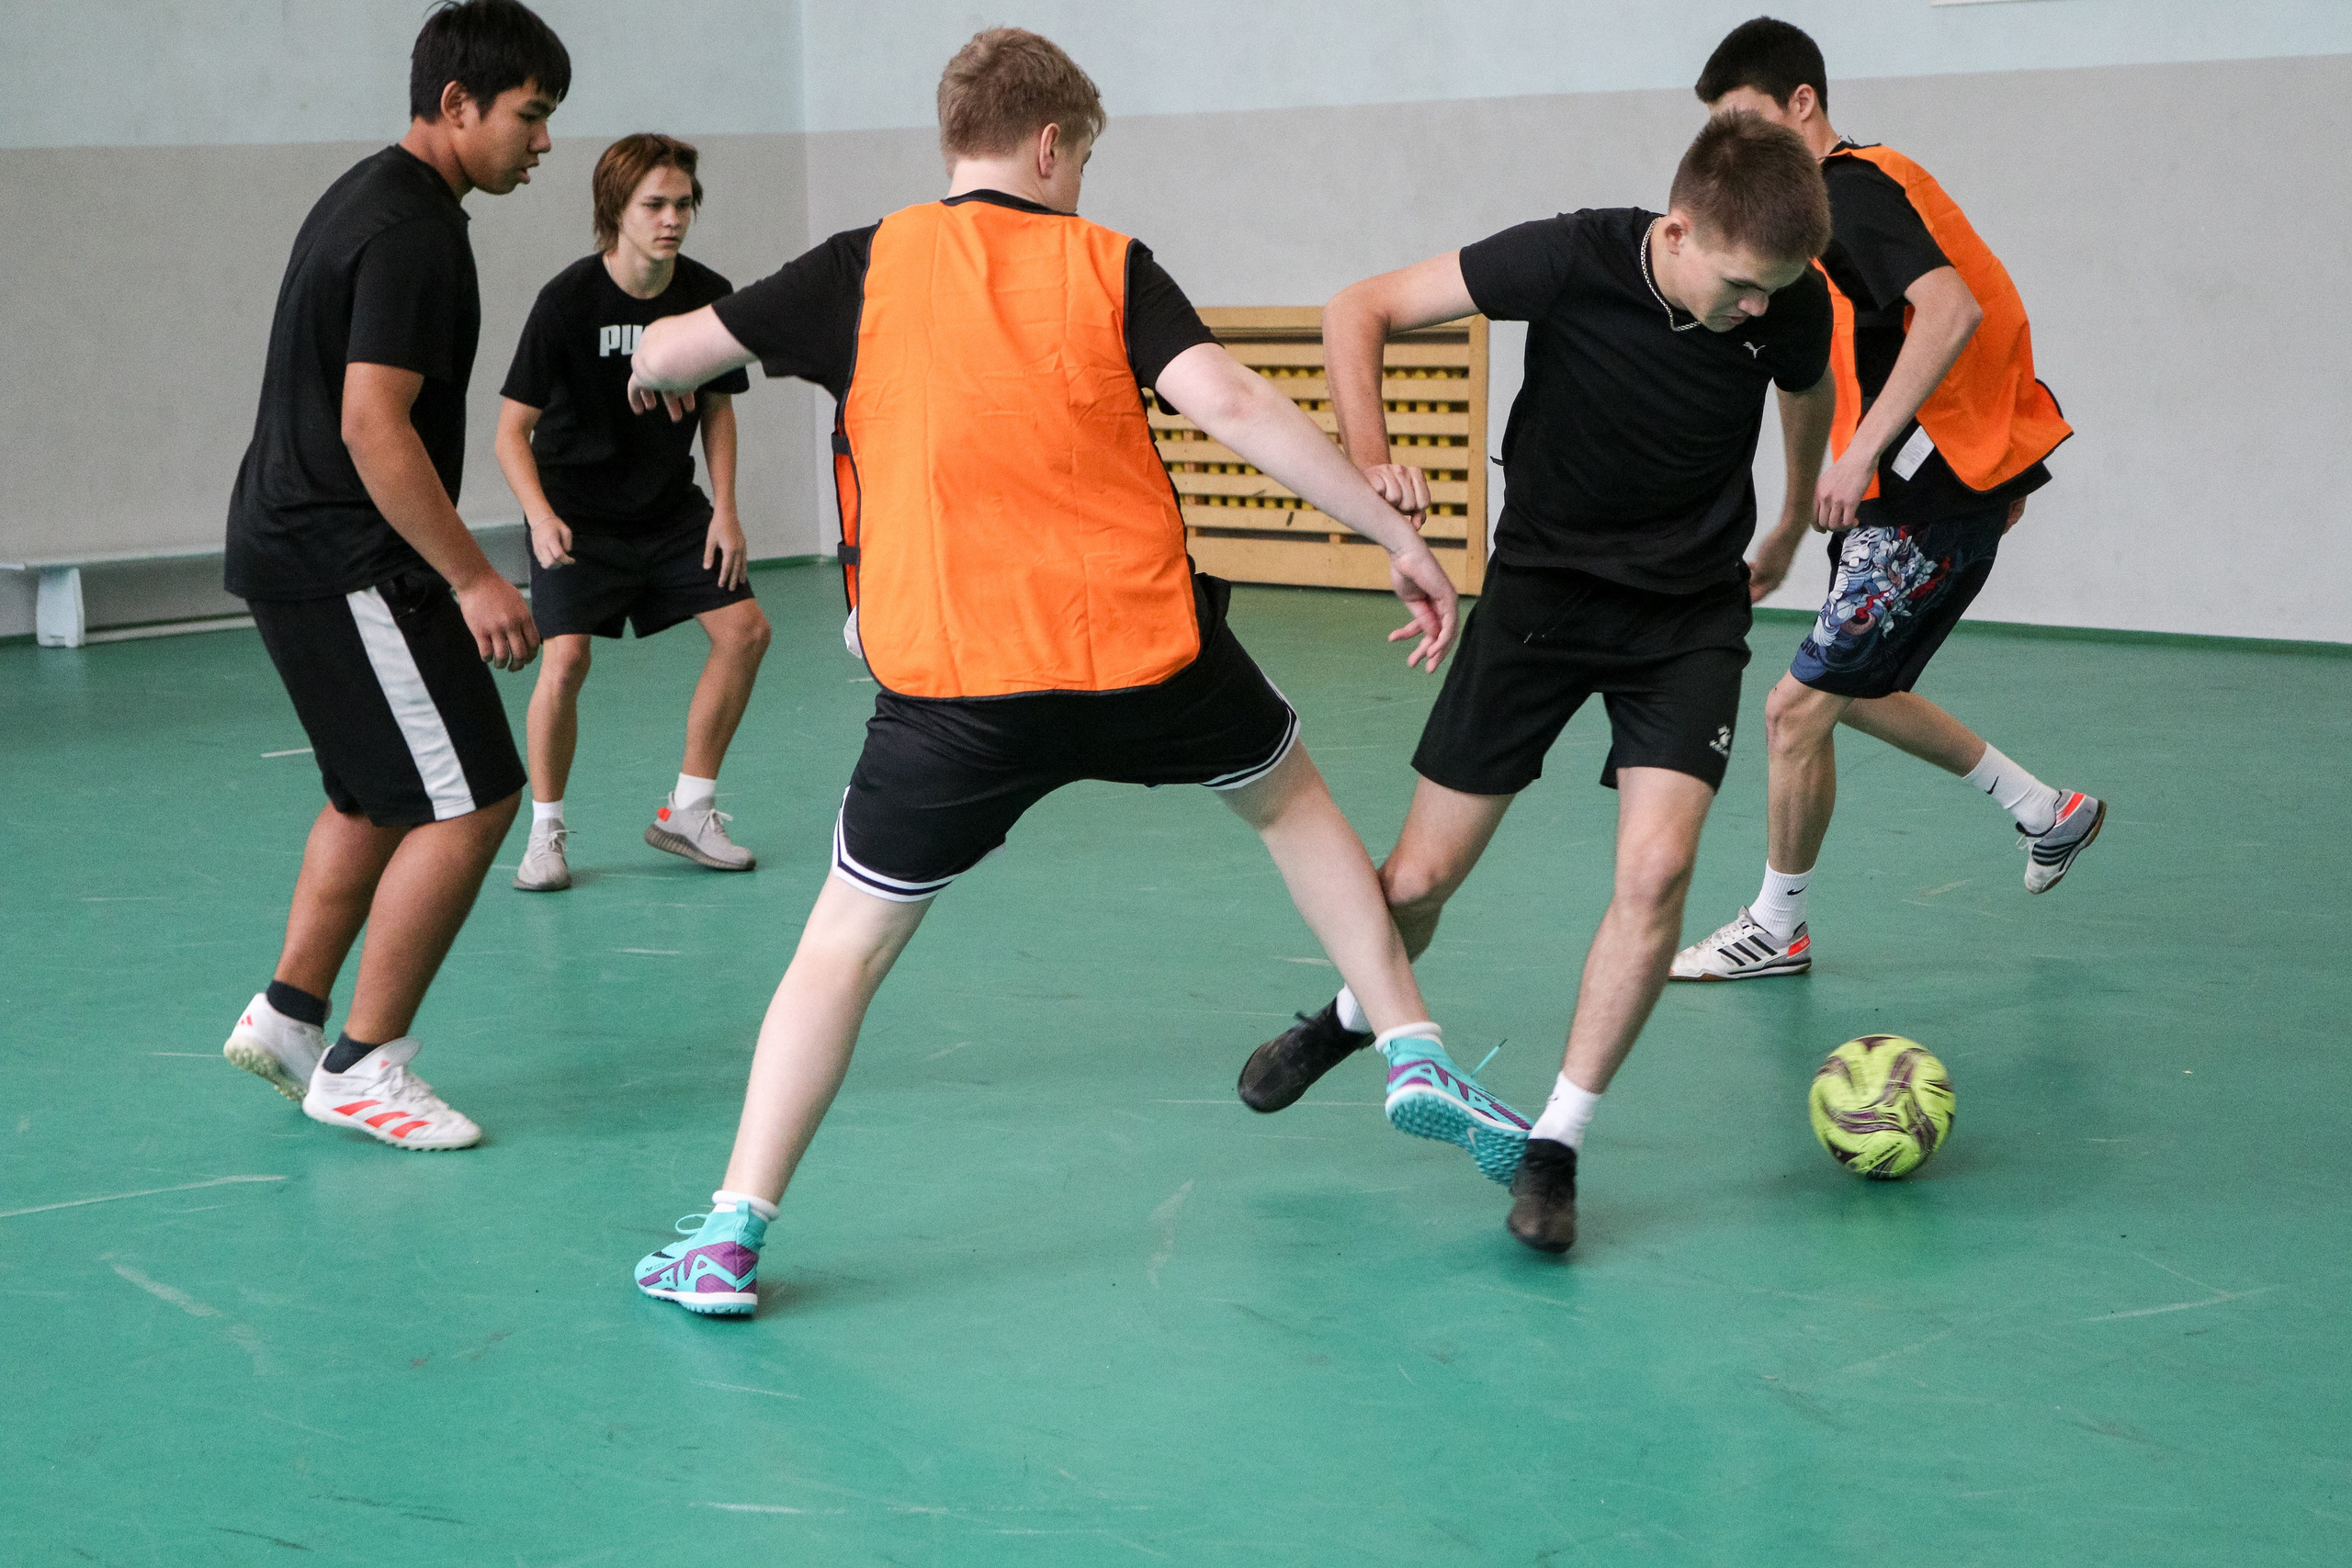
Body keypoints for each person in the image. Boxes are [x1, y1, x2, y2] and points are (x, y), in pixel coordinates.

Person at [625, 28, 1531, 1317]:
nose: (1082, 186)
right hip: (1145, 651)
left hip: (954, 689)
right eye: (1083, 161)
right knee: (1288, 801)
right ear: (1050, 145)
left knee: (839, 951)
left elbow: (668, 355)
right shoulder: (1109, 263)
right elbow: (1233, 404)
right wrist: (1396, 534)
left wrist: (663, 365)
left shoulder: (858, 267)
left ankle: (730, 1231)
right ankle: (1411, 1040)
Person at [1236, 114, 1838, 1255]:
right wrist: (1370, 460)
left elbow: (1804, 390)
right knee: (1415, 880)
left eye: (1776, 290)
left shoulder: (1786, 303)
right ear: (1678, 229)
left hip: (1686, 617)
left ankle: (1555, 1141)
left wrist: (1793, 516)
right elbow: (1355, 308)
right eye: (1743, 285)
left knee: (1658, 870)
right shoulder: (1566, 257)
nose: (1760, 309)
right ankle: (1352, 1015)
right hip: (1544, 597)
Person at [1674, 17, 2099, 985]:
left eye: (1746, 122)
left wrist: (1881, 454)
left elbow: (1954, 306)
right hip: (1905, 492)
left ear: (1801, 105)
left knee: (1795, 709)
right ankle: (2045, 811)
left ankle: (1777, 925)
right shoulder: (1816, 215)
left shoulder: (1846, 189)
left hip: (1921, 492)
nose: (1732, 152)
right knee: (1847, 693)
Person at [218, 0, 568, 1150]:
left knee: (373, 795)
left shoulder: (372, 193)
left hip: (290, 545)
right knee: (474, 796)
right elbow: (378, 425)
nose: (542, 141)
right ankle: (364, 1068)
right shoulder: (414, 230)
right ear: (457, 105)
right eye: (530, 114)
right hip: (347, 557)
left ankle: (288, 1018)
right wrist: (473, 578)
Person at [497, 133, 770, 892]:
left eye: (683, 204)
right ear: (615, 209)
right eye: (655, 204)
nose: (672, 218)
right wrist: (538, 515)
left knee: (746, 632)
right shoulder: (567, 301)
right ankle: (545, 832)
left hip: (668, 511)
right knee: (566, 661)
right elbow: (508, 432)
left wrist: (726, 510)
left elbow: (718, 410)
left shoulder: (706, 293)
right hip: (575, 513)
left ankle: (689, 810)